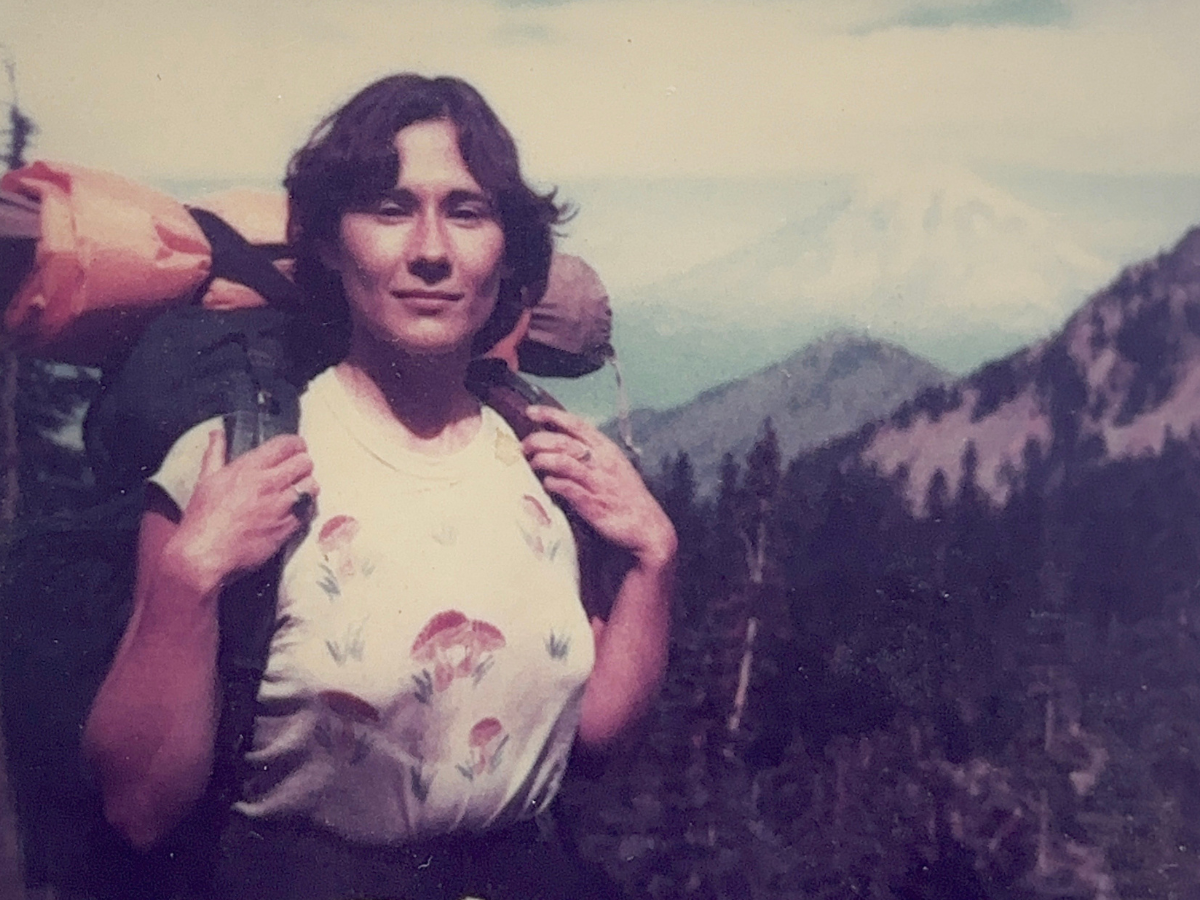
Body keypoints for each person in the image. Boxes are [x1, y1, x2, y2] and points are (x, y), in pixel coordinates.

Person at [81, 73, 676, 900]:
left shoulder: (545, 462)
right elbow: (139, 809)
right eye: (390, 208)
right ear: (329, 242)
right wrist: (186, 582)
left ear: (507, 250)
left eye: (466, 211)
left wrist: (653, 562)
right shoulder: (232, 461)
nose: (430, 250)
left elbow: (593, 741)